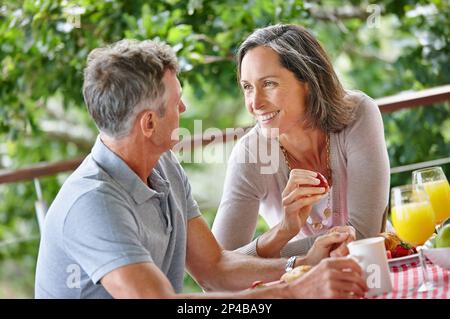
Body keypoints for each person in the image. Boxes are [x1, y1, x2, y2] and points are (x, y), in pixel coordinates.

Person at [34, 39, 367, 299]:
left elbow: (215, 268)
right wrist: (293, 291)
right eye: (176, 101)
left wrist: (302, 266)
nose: (183, 107)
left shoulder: (162, 164)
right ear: (149, 123)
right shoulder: (93, 204)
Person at [212, 24, 390, 258]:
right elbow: (218, 271)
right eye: (247, 87)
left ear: (308, 80)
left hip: (376, 268)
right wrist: (283, 232)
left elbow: (363, 236)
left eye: (269, 84)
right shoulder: (249, 155)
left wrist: (263, 257)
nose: (255, 103)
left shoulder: (357, 114)